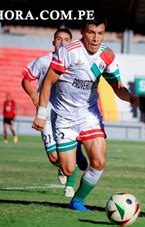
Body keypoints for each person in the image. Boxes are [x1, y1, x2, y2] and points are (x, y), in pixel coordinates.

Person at [32, 15, 139, 211]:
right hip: (64, 117)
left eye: (100, 33)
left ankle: (77, 200)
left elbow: (117, 86)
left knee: (99, 161)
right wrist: (41, 114)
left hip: (89, 115)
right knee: (67, 169)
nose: (96, 39)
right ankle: (76, 147)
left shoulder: (107, 55)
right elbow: (48, 82)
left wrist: (131, 97)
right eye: (91, 33)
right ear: (82, 32)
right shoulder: (69, 52)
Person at [21, 27, 87, 198]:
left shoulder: (75, 61)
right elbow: (26, 80)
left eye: (66, 39)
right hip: (47, 113)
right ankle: (67, 159)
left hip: (66, 114)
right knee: (53, 157)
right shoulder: (44, 61)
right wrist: (33, 95)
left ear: (70, 43)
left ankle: (70, 187)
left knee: (69, 155)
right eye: (59, 39)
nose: (62, 42)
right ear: (53, 42)